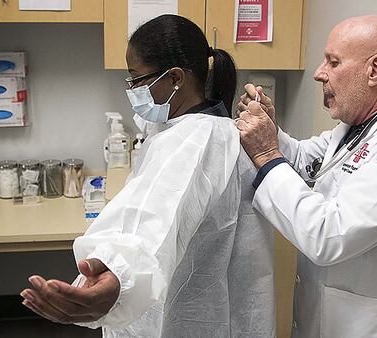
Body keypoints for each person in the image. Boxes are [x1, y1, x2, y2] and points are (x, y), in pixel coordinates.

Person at [20, 14, 275, 338]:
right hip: (217, 307)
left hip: (193, 316)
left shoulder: (194, 139)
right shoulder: (203, 127)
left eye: (137, 79)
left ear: (175, 79)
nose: (132, 89)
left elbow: (158, 210)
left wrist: (119, 276)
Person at [236, 15, 377, 338]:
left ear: (375, 70)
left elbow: (329, 235)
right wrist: (272, 131)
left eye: (332, 62)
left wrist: (267, 154)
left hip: (371, 323)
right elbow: (303, 160)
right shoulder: (361, 123)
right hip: (326, 314)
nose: (319, 73)